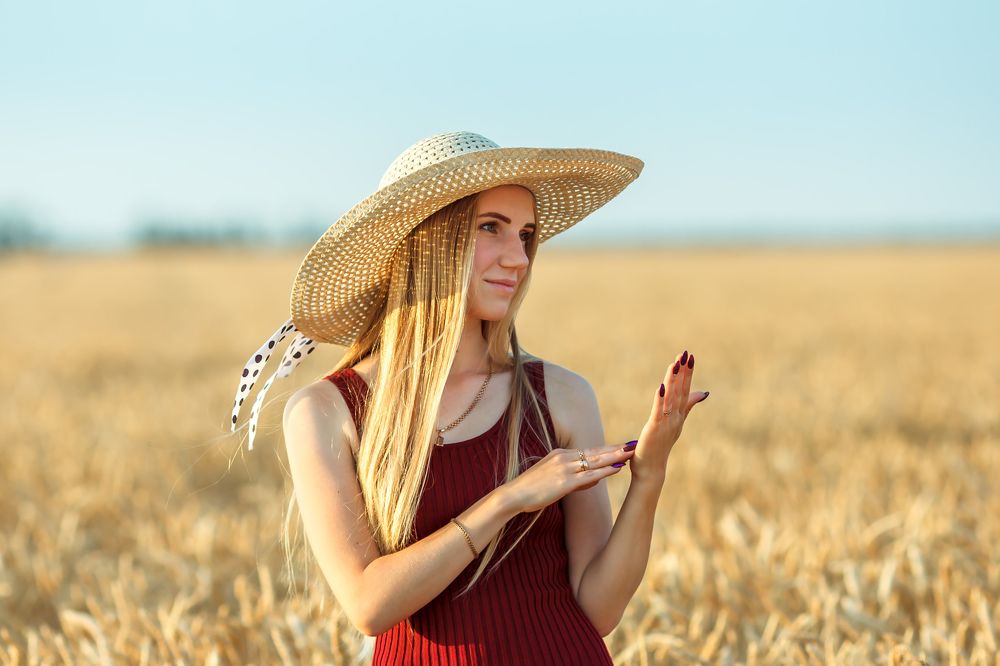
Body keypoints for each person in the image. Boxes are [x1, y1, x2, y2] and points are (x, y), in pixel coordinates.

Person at [226, 131, 710, 664]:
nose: (520, 258)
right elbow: (368, 604)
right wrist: (509, 499)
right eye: (491, 229)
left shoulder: (562, 397)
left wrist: (649, 475)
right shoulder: (326, 411)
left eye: (526, 235)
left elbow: (596, 611)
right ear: (429, 239)